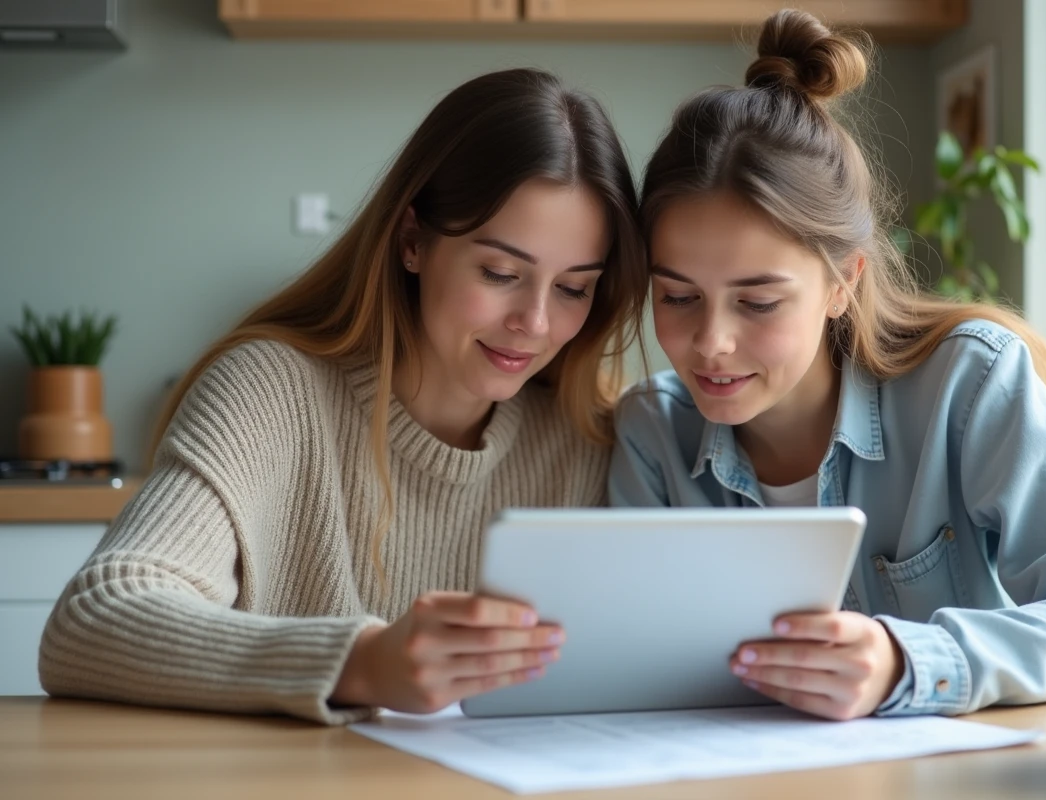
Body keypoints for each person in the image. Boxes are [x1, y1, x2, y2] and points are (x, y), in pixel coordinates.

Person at [39, 68, 647, 724]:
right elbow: (90, 621)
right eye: (501, 273)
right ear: (412, 242)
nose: (535, 322)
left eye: (574, 288)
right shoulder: (270, 394)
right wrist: (361, 663)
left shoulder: (590, 439)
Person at [610, 10, 1046, 721]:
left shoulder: (968, 385)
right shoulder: (652, 433)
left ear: (843, 282)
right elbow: (627, 659)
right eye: (678, 296)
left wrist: (909, 660)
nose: (711, 342)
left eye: (758, 302)